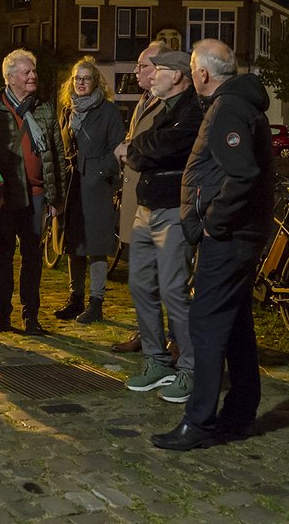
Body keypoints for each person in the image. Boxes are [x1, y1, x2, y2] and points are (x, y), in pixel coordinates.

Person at [153, 39, 273, 451]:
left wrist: (212, 224)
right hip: (240, 233)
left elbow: (243, 174)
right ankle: (239, 413)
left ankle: (199, 421)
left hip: (230, 236)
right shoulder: (239, 103)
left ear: (201, 73)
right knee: (237, 323)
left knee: (205, 324)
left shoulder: (228, 109)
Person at [119, 50, 202, 404]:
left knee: (173, 290)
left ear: (179, 76)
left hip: (171, 209)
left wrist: (135, 149)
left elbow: (155, 148)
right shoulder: (165, 108)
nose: (153, 76)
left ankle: (191, 368)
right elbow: (146, 148)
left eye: (160, 70)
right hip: (146, 207)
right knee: (140, 284)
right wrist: (140, 149)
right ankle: (156, 361)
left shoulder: (191, 111)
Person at [0, 49, 67, 336]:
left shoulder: (43, 109)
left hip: (37, 195)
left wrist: (56, 198)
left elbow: (57, 154)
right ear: (10, 77)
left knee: (32, 259)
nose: (33, 76)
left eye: (34, 71)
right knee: (2, 257)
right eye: (27, 72)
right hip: (6, 198)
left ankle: (31, 316)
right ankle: (1, 313)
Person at [51, 56, 124, 325]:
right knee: (74, 242)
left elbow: (117, 149)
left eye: (86, 78)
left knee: (96, 246)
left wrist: (99, 173)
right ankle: (75, 298)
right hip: (72, 184)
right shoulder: (68, 110)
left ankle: (96, 302)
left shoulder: (108, 111)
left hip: (96, 185)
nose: (81, 83)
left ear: (96, 82)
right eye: (77, 78)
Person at [111, 40, 168, 354]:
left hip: (153, 197)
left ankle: (160, 338)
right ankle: (145, 331)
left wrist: (130, 150)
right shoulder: (144, 99)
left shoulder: (168, 103)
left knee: (160, 275)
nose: (136, 71)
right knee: (140, 273)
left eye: (143, 66)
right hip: (136, 194)